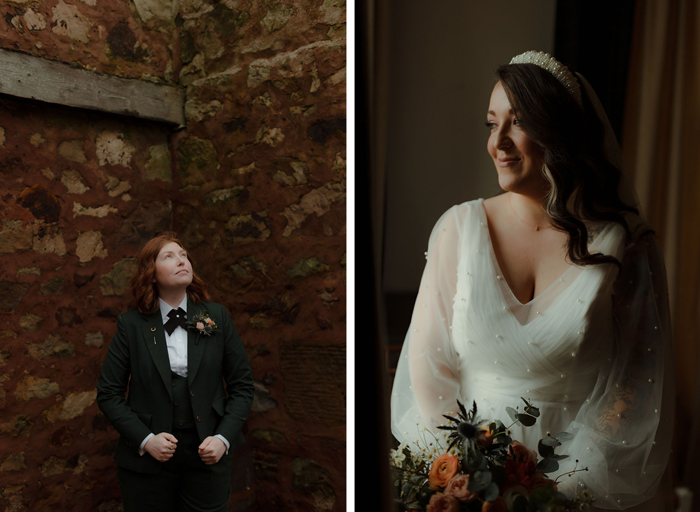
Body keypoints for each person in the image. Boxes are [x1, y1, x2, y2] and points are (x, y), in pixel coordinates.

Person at [390, 51, 675, 511]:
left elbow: (636, 385)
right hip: (467, 487)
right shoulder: (458, 229)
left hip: (582, 484)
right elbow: (429, 366)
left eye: (517, 123)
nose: (498, 142)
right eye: (491, 123)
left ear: (558, 135)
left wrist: (553, 491)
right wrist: (468, 476)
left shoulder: (626, 246)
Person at [97, 233, 255, 512]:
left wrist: (223, 439)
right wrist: (146, 440)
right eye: (169, 256)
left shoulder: (215, 317)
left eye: (183, 255)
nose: (181, 260)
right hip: (149, 462)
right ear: (152, 273)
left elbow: (242, 386)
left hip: (207, 458)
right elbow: (109, 393)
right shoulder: (131, 325)